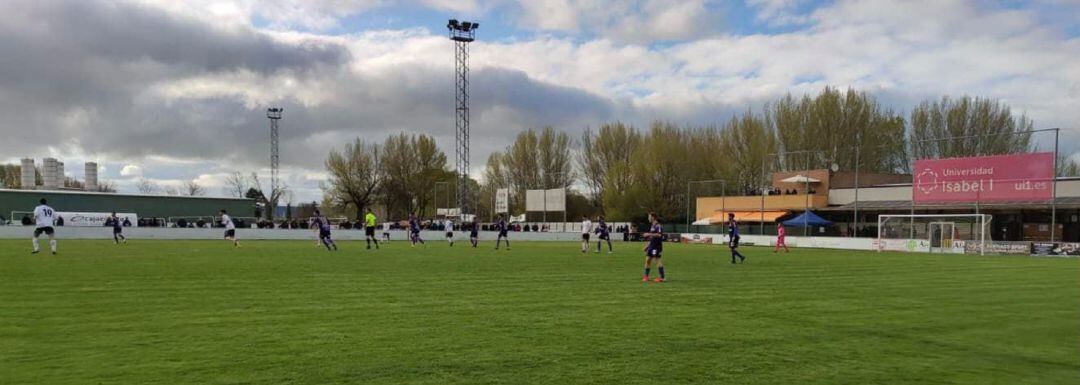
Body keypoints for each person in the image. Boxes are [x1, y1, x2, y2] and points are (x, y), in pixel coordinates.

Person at [642, 212, 665, 282]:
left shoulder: (658, 226)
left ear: (653, 217)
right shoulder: (652, 226)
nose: (648, 218)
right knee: (648, 260)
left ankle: (662, 277)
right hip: (651, 246)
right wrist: (647, 246)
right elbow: (652, 237)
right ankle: (646, 276)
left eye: (649, 217)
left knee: (657, 260)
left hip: (656, 246)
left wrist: (648, 234)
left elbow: (659, 235)